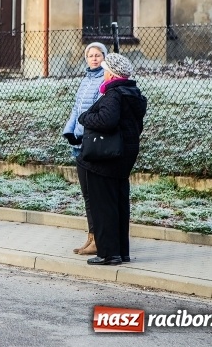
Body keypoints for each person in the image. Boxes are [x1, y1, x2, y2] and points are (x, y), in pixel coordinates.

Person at [78, 53, 147, 266]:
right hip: (124, 155)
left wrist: (85, 117)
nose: (104, 74)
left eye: (106, 70)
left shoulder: (114, 94)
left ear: (112, 74)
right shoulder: (133, 93)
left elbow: (106, 120)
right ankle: (121, 251)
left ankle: (108, 253)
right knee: (119, 205)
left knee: (103, 206)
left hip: (105, 159)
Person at [62, 42, 107, 256]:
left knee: (95, 193)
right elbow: (76, 108)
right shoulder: (85, 80)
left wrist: (83, 132)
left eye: (98, 55)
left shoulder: (103, 81)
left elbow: (96, 110)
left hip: (92, 142)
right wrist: (69, 131)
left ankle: (99, 238)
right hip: (79, 143)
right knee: (86, 194)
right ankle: (91, 237)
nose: (94, 58)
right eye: (90, 55)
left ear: (104, 58)